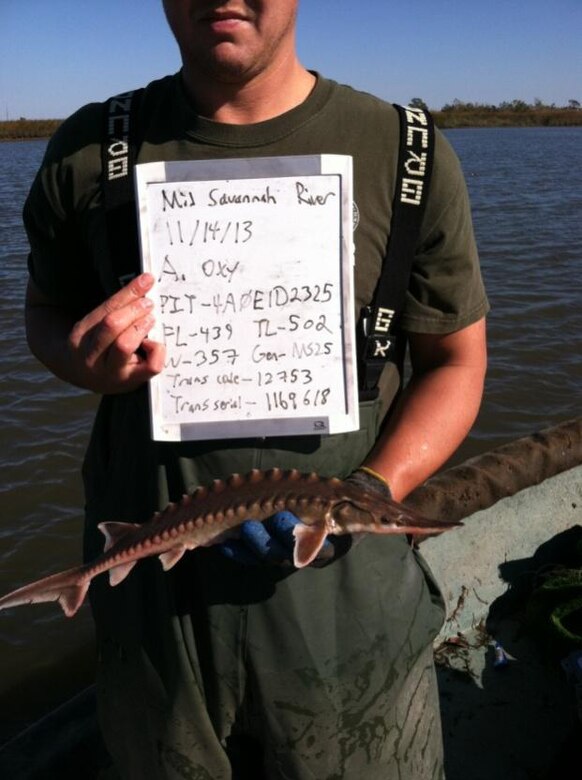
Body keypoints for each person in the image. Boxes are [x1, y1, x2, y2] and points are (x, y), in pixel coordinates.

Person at [23, 1, 488, 778]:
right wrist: (82, 362)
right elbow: (43, 314)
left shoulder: (410, 152)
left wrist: (370, 489)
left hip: (351, 618)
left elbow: (457, 363)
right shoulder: (88, 149)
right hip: (156, 622)